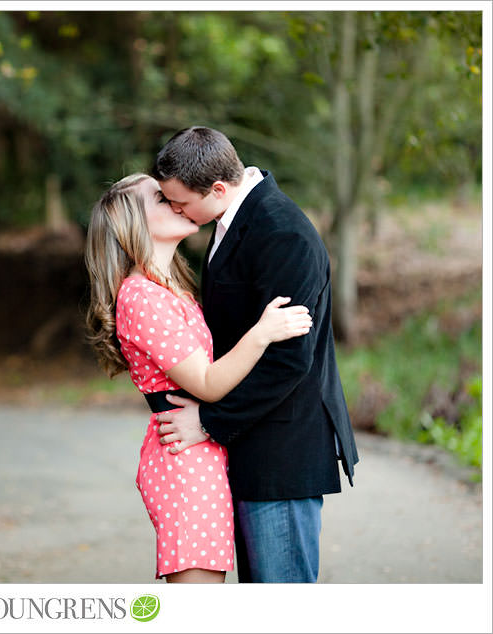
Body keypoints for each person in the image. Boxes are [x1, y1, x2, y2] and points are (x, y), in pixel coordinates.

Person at [150, 126, 359, 583]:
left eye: (180, 201)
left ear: (219, 188)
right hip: (252, 445)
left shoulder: (282, 233)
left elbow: (289, 359)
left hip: (281, 453)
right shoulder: (231, 220)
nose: (174, 209)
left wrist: (209, 421)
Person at [85, 173, 313, 583]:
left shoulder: (172, 288)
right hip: (184, 464)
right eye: (161, 199)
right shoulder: (140, 296)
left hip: (203, 457)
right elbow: (206, 382)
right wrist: (263, 332)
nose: (176, 202)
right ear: (132, 224)